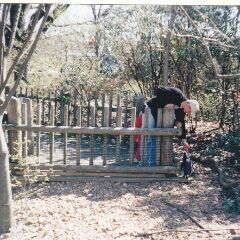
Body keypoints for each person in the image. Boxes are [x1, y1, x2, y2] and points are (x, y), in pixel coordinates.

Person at [138, 86, 200, 166]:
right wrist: (167, 102)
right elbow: (158, 89)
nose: (188, 113)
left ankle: (151, 163)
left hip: (159, 116)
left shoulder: (181, 110)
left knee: (156, 138)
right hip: (150, 110)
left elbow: (182, 124)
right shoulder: (178, 94)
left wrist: (184, 141)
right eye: (190, 111)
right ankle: (146, 163)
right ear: (188, 105)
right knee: (150, 136)